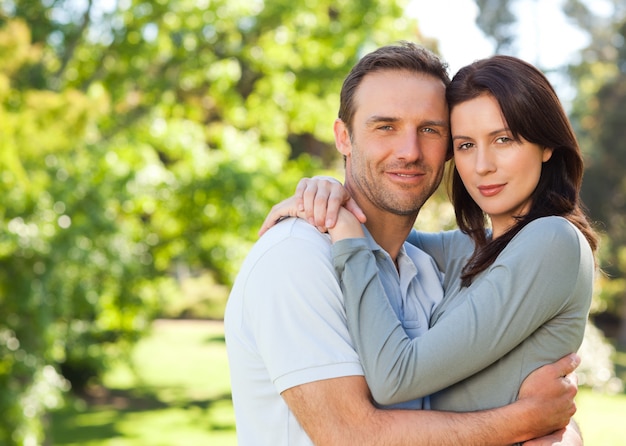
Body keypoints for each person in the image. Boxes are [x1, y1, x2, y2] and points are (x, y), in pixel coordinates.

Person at [226, 42, 581, 446]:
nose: (409, 152)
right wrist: (526, 421)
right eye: (385, 127)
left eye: (430, 130)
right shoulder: (295, 259)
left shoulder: (428, 267)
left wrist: (564, 430)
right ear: (343, 137)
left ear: (445, 149)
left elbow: (510, 389)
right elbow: (350, 437)